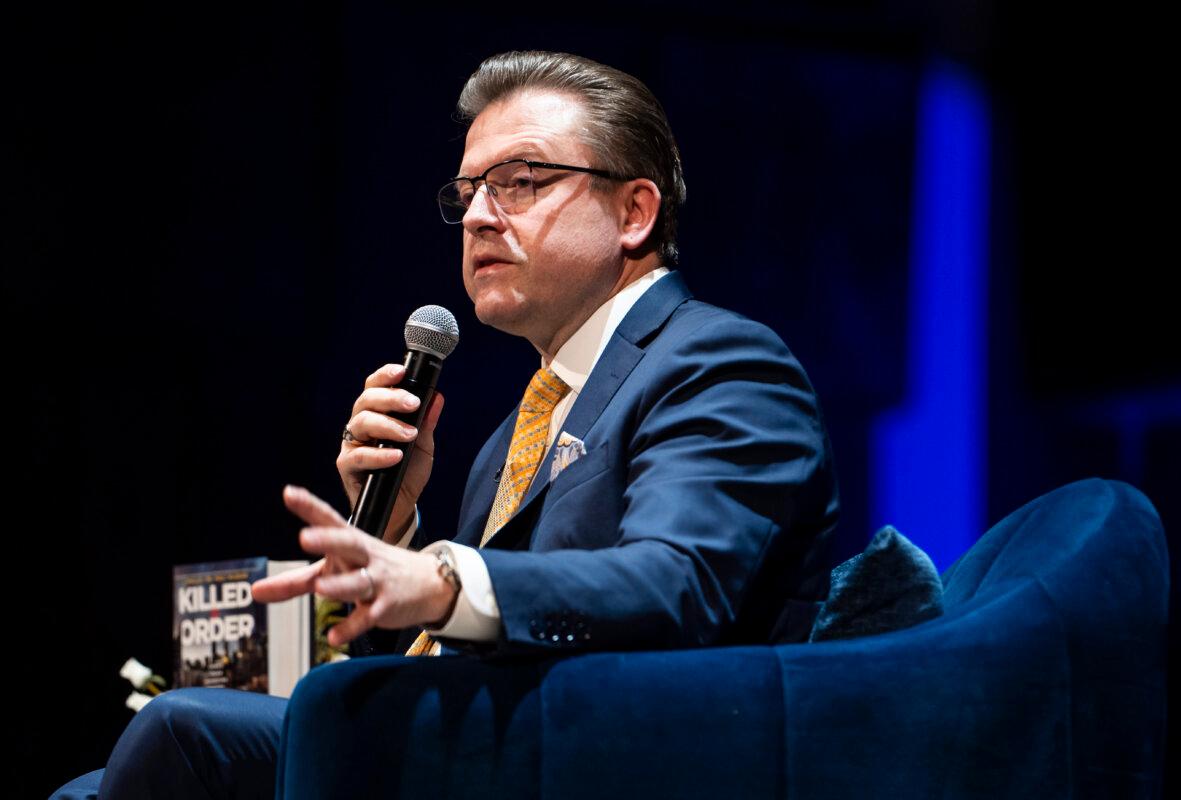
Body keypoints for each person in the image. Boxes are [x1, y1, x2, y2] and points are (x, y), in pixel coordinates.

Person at [52, 50, 838, 799]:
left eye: (520, 182)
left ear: (634, 212)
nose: (479, 218)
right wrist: (391, 531)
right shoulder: (513, 433)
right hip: (497, 746)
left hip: (622, 762)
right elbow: (440, 658)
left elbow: (676, 586)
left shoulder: (722, 360)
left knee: (187, 732)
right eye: (467, 194)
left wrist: (436, 577)